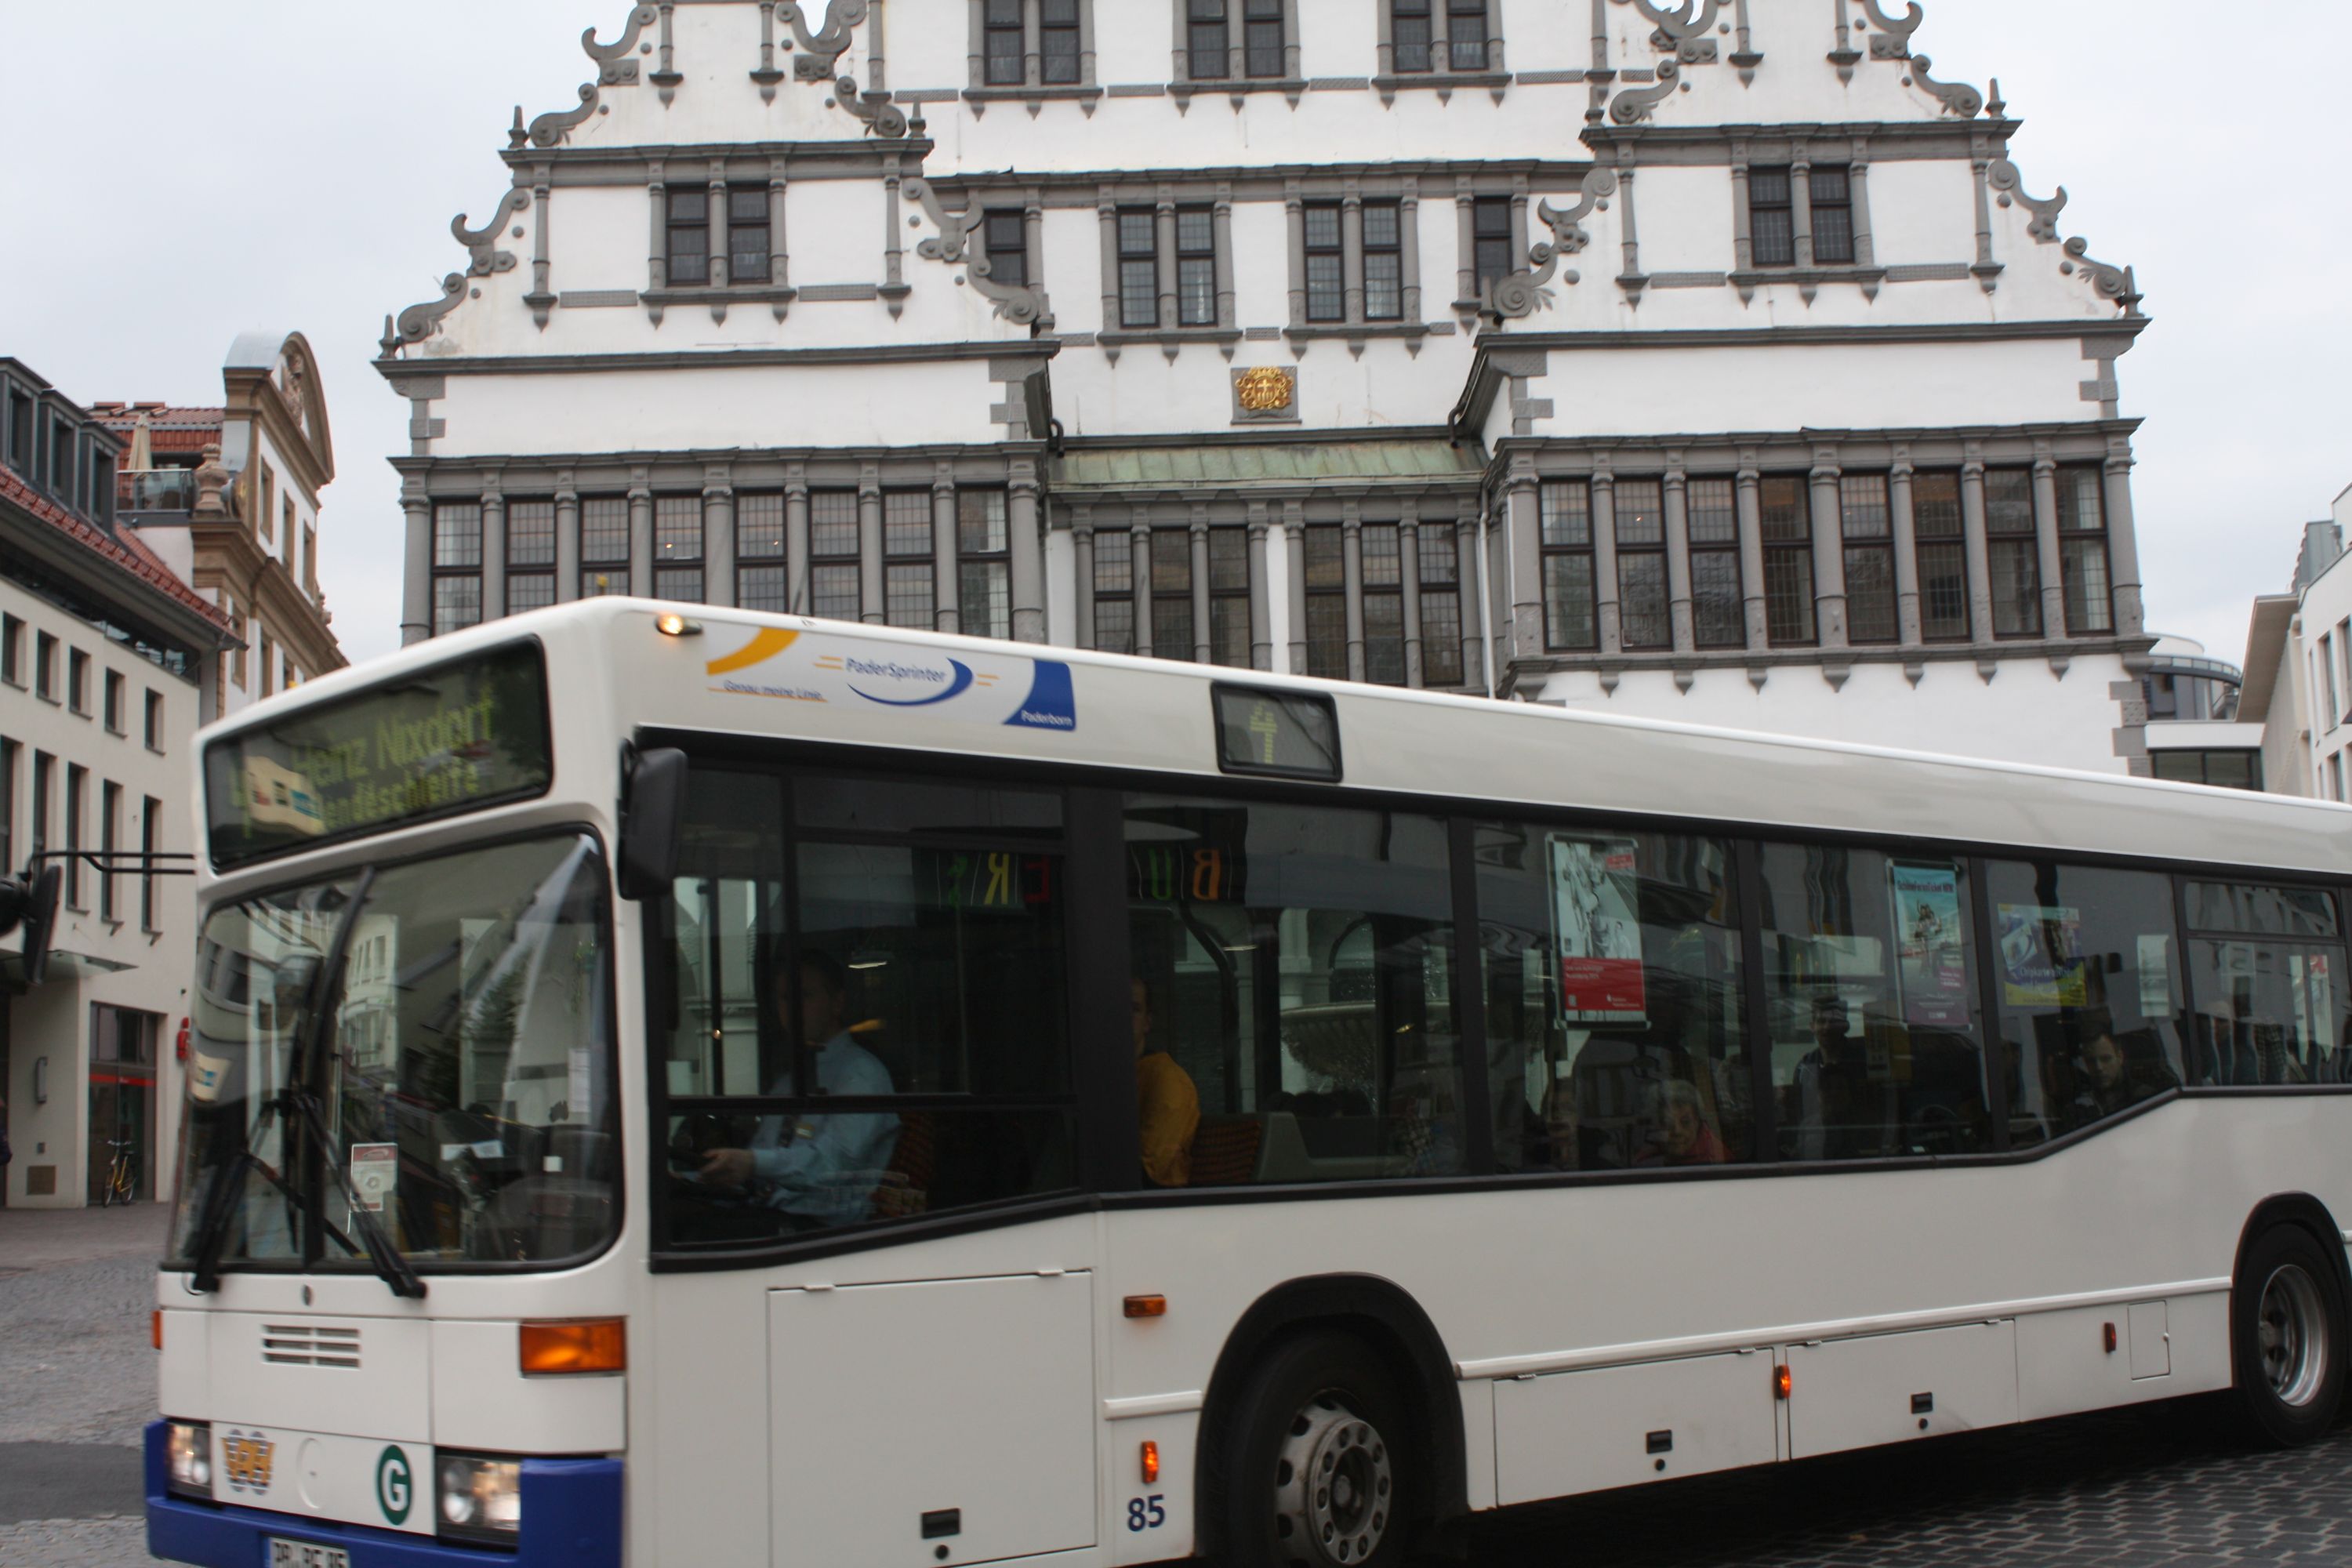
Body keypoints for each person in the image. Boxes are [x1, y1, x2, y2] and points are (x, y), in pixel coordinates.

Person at [699, 951, 898, 1229]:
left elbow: (833, 1166)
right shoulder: (790, 1081)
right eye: (784, 998)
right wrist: (705, 1174)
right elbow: (763, 1157)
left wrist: (753, 1163)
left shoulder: (861, 1075)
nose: (791, 1008)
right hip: (770, 1216)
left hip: (825, 1235)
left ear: (837, 1003)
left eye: (804, 996)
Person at [1132, 979, 1199, 1187]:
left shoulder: (1167, 1080)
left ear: (1147, 1022)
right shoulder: (1104, 1075)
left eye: (1133, 1008)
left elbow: (1143, 1172)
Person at [1634, 1077, 1727, 1167]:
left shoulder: (1718, 1159)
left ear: (1697, 1123)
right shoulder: (1646, 1159)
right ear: (1656, 1125)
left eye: (1686, 1122)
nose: (1677, 1131)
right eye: (1668, 1123)